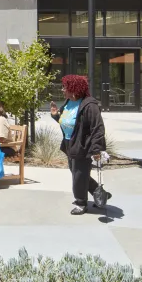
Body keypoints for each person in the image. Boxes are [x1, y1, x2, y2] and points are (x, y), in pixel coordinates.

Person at [51, 75, 110, 215]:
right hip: (69, 142)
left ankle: (81, 203)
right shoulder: (68, 102)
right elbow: (69, 122)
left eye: (64, 87)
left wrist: (96, 149)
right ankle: (99, 192)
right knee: (76, 171)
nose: (62, 90)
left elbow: (98, 128)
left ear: (74, 89)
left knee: (78, 174)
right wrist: (55, 116)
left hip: (83, 144)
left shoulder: (90, 106)